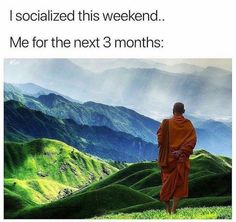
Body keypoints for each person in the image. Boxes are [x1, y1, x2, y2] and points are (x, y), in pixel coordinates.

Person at [157, 102, 197, 214]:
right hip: (180, 159)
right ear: (183, 111)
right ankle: (174, 209)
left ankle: (167, 210)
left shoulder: (166, 123)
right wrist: (181, 151)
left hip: (168, 160)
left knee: (166, 185)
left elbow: (160, 140)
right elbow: (192, 141)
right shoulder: (188, 124)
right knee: (179, 185)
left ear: (172, 110)